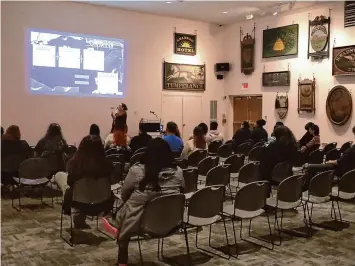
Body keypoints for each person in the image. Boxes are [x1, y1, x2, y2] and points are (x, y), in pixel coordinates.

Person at [102, 138, 184, 266]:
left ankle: (122, 258)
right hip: (170, 221)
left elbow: (124, 195)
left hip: (138, 224)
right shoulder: (178, 172)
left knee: (126, 212)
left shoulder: (137, 171)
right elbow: (182, 191)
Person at [54, 135, 114, 229]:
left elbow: (70, 183)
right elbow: (111, 182)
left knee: (60, 176)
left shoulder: (75, 166)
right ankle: (79, 220)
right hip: (102, 203)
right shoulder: (108, 165)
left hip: (79, 203)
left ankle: (77, 218)